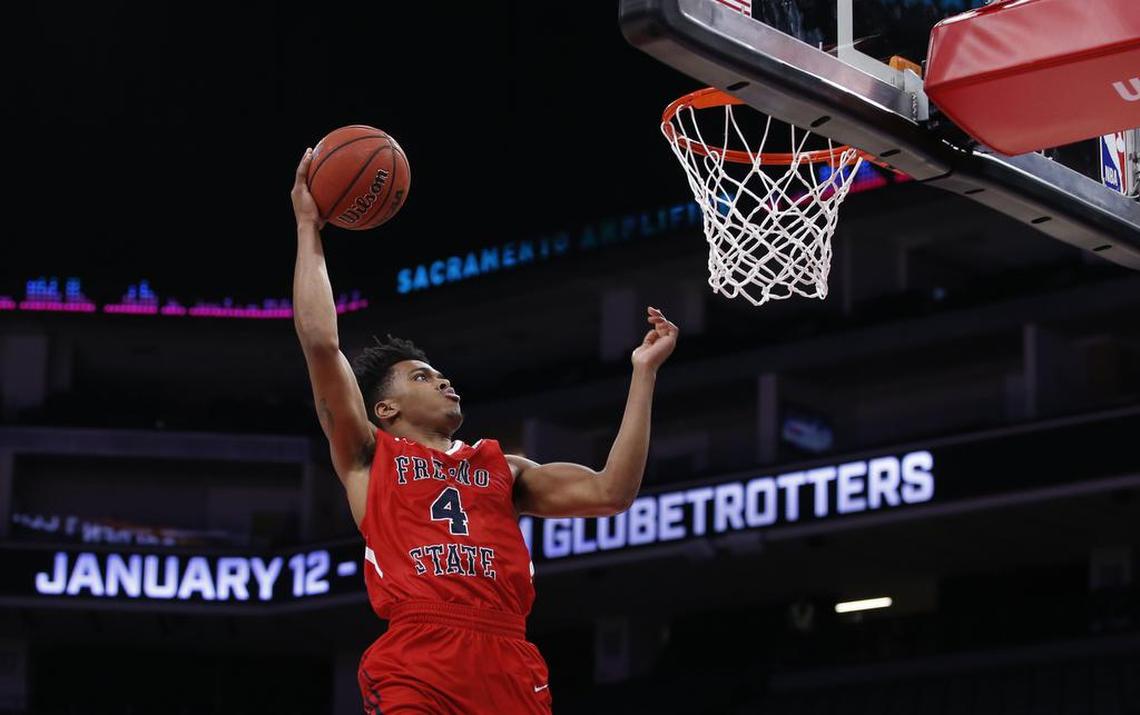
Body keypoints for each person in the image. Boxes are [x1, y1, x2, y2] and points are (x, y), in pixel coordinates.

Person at [290, 147, 679, 713]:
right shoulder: (367, 456)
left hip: (507, 657)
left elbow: (610, 492)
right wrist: (309, 227)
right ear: (387, 410)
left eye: (442, 374)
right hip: (419, 654)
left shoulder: (504, 468)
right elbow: (321, 343)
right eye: (423, 377)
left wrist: (643, 376)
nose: (444, 382)